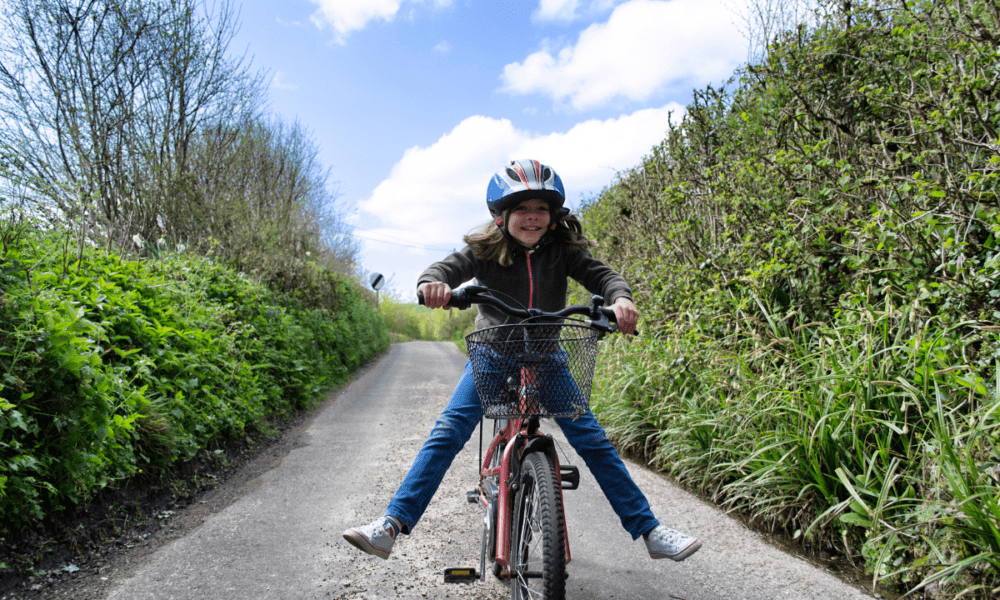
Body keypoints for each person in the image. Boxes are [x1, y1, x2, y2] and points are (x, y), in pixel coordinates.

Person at [343, 159, 702, 563]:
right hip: (493, 354)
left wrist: (621, 299)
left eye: (541, 210)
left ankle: (649, 530)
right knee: (449, 431)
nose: (532, 217)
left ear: (553, 218)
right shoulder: (484, 250)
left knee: (593, 440)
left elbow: (604, 276)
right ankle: (390, 525)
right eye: (522, 209)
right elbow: (445, 268)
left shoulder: (564, 251)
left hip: (548, 357)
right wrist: (433, 285)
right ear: (502, 217)